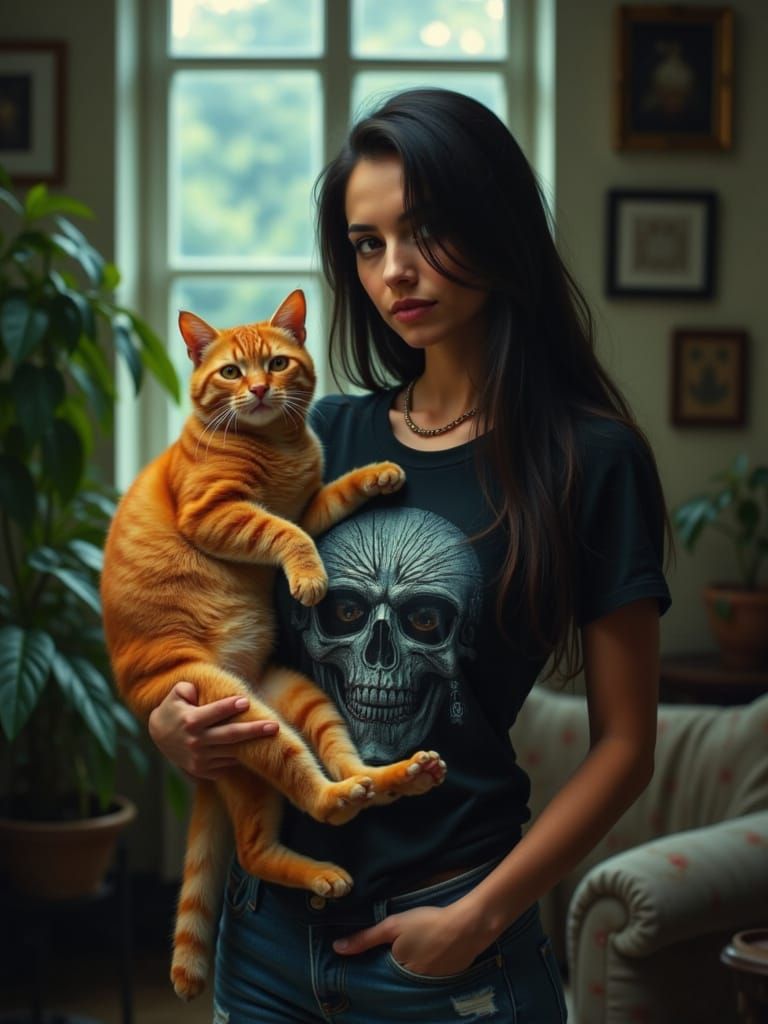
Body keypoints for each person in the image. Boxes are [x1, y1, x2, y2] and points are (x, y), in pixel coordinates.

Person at [148, 88, 671, 1022]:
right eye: (367, 243)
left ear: (497, 222)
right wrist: (173, 719)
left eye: (425, 230)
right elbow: (219, 638)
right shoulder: (318, 438)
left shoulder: (591, 460)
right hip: (264, 938)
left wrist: (477, 919)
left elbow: (627, 746)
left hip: (451, 950)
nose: (395, 270)